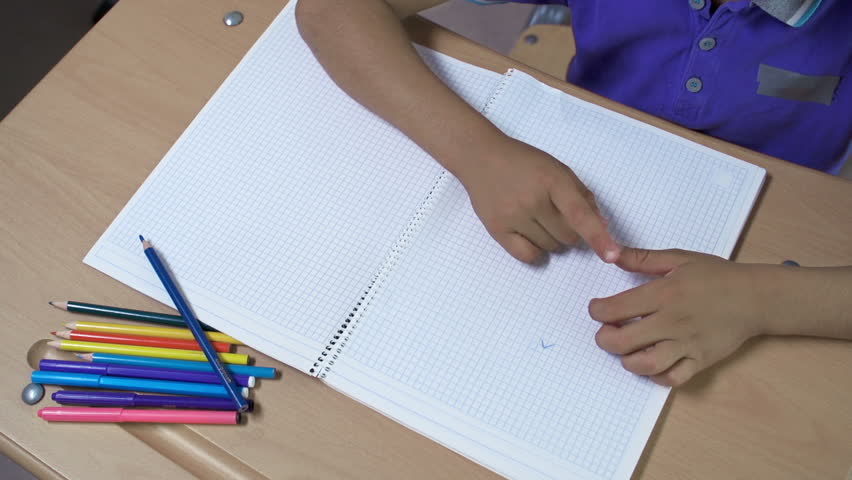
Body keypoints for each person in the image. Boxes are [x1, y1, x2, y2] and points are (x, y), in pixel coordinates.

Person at [295, 0, 852, 386]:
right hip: (586, 147)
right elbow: (330, 10)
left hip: (775, 225)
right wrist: (477, 153)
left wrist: (764, 300)